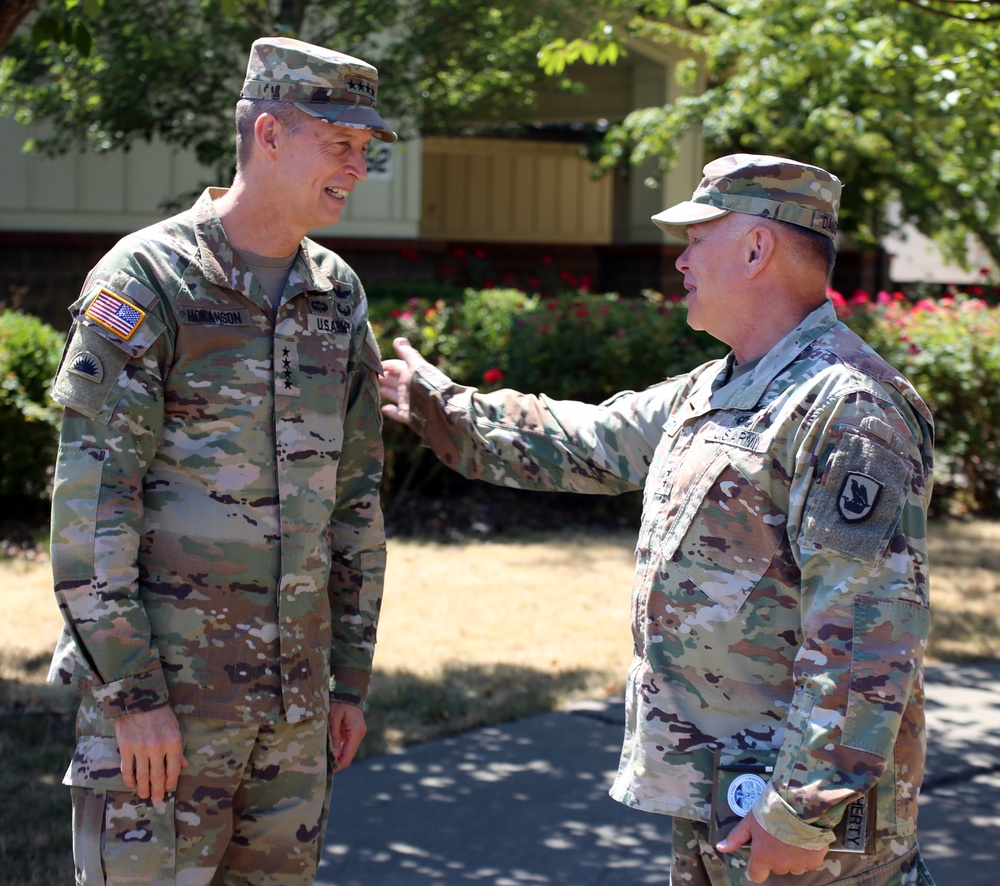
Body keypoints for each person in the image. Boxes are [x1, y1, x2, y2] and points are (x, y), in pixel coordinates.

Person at [380, 154, 936, 885]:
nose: (680, 260)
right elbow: (585, 439)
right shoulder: (717, 389)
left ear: (756, 247)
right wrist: (438, 405)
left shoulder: (848, 408)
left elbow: (866, 639)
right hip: (719, 793)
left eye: (697, 236)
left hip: (801, 828)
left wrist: (802, 810)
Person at [47, 36, 390, 885]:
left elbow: (356, 501)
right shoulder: (149, 280)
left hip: (294, 718)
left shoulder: (336, 292)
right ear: (269, 134)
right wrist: (132, 699)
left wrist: (347, 680)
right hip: (167, 716)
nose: (357, 165)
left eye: (366, 149)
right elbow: (93, 508)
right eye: (339, 143)